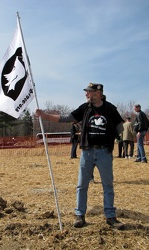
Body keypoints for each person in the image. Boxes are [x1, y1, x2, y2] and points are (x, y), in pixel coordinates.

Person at [36, 82, 124, 230]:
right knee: (82, 185)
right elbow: (65, 118)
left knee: (107, 185)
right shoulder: (84, 108)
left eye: (89, 92)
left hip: (104, 153)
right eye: (86, 92)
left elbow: (120, 127)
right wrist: (45, 116)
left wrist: (112, 136)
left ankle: (110, 216)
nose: (86, 94)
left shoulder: (110, 109)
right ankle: (80, 215)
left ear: (98, 93)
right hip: (87, 152)